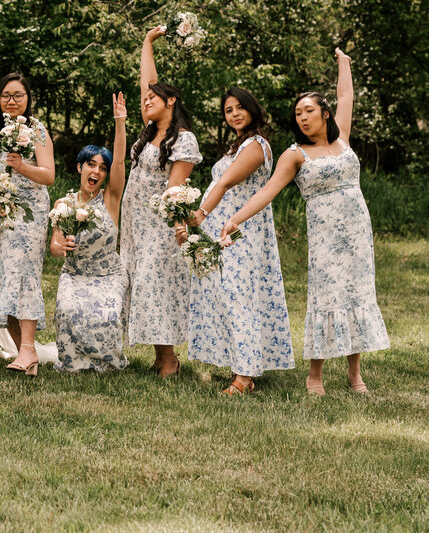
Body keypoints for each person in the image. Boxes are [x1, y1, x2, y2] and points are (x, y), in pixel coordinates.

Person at [222, 49, 388, 395]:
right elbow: (267, 191)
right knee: (325, 298)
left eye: (308, 111)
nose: (302, 118)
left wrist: (344, 64)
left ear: (324, 113)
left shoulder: (342, 139)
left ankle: (355, 373)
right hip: (325, 235)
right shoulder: (294, 154)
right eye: (297, 114)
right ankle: (315, 375)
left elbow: (346, 96)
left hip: (357, 230)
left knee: (357, 294)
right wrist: (235, 219)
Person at [186, 88, 294, 395]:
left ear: (252, 109)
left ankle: (245, 377)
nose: (234, 114)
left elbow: (226, 182)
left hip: (242, 232)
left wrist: (200, 214)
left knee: (238, 298)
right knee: (226, 297)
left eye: (239, 108)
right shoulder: (236, 146)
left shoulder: (256, 145)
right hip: (223, 232)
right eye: (228, 110)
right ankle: (240, 366)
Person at [122, 25, 202, 377]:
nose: (146, 101)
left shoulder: (183, 139)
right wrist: (147, 41)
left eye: (153, 98)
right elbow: (147, 84)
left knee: (154, 282)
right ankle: (160, 354)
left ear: (171, 101)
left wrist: (179, 228)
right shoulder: (149, 132)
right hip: (134, 221)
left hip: (159, 223)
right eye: (145, 99)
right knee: (141, 280)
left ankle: (170, 357)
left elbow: (175, 191)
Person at [49, 93, 130, 373]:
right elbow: (54, 246)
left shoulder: (110, 199)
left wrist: (120, 122)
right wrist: (61, 248)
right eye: (91, 164)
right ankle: (74, 361)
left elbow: (120, 162)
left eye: (102, 168)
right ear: (80, 168)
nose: (96, 171)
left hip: (108, 275)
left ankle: (105, 362)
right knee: (68, 310)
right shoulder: (63, 205)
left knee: (106, 315)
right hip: (75, 275)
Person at [0, 73, 55, 375]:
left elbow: (48, 175)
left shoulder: (36, 129)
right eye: (6, 95)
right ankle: (25, 352)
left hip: (30, 213)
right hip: (4, 214)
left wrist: (22, 166)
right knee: (5, 278)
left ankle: (27, 349)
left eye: (18, 95)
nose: (11, 101)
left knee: (24, 275)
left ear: (28, 99)